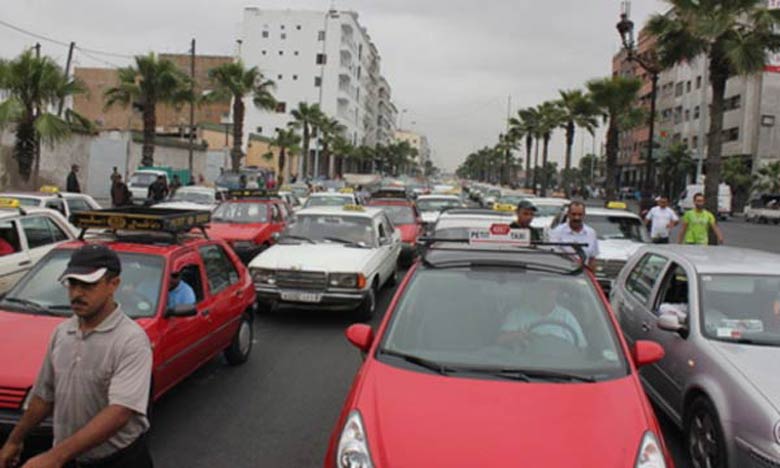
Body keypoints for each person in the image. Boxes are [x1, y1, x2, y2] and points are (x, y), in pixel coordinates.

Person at [0, 245, 153, 468]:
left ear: (113, 284)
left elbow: (120, 411)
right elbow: (44, 396)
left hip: (118, 460)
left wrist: (55, 457)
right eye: (72, 284)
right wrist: (15, 440)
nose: (77, 293)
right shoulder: (63, 333)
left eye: (88, 285)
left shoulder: (131, 340)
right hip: (71, 459)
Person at [498, 286, 587, 348]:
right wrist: (517, 335)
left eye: (550, 289)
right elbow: (500, 341)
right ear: (534, 292)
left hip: (561, 368)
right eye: (542, 289)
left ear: (556, 292)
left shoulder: (566, 316)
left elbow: (581, 348)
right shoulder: (517, 314)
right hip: (525, 365)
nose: (546, 293)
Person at [549, 201, 599, 269]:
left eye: (580, 214)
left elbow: (592, 259)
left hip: (583, 274)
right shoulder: (557, 232)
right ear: (568, 214)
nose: (576, 218)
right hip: (563, 272)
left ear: (584, 215)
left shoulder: (591, 233)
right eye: (574, 214)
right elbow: (553, 257)